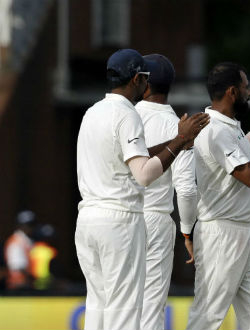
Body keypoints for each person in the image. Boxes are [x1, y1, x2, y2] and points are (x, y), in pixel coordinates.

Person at [75, 48, 208, 330]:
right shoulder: (127, 115)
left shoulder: (92, 112)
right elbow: (145, 174)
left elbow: (135, 156)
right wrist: (180, 140)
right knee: (126, 311)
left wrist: (177, 141)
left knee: (98, 306)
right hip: (120, 221)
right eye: (144, 79)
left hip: (88, 220)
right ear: (136, 79)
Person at [185, 62, 250, 330]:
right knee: (207, 317)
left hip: (248, 231)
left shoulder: (228, 127)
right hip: (222, 234)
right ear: (232, 92)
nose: (249, 93)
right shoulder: (215, 131)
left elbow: (249, 143)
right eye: (246, 87)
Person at [134, 54, 199, 330]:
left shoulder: (125, 116)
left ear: (144, 82)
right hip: (156, 219)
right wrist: (187, 231)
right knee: (150, 308)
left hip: (119, 214)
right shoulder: (177, 126)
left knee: (113, 303)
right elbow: (185, 188)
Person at [4, 210, 36, 290]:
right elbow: (17, 266)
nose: (30, 228)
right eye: (28, 225)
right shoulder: (16, 241)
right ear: (20, 225)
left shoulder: (26, 240)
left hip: (26, 283)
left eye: (32, 225)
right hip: (19, 285)